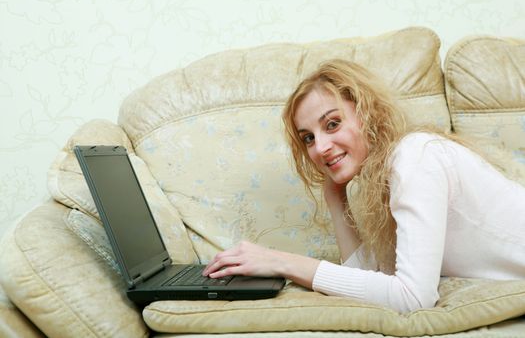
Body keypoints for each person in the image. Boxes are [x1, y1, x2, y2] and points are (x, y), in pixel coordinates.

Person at [202, 59, 525, 313]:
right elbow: (374, 278)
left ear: (368, 113)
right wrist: (335, 197)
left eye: (333, 123)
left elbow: (412, 298)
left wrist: (281, 262)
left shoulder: (416, 156)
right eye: (308, 138)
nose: (320, 148)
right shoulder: (389, 175)